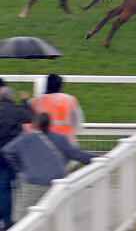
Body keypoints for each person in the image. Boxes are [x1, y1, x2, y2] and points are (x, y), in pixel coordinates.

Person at [2, 113, 100, 221]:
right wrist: (99, 158)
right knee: (58, 217)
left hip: (32, 183)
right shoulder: (59, 139)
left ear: (35, 124)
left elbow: (7, 151)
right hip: (56, 183)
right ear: (49, 124)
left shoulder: (25, 138)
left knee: (26, 218)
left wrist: (20, 169)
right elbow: (78, 154)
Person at [0, 84, 33, 230]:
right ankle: (23, 218)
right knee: (20, 186)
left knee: (3, 188)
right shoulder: (19, 110)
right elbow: (30, 118)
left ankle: (6, 221)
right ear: (11, 96)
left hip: (0, 155)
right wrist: (25, 100)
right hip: (16, 156)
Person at [27, 74, 85, 145]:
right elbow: (78, 123)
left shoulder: (36, 102)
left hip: (45, 144)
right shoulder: (71, 100)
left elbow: (31, 124)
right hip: (67, 143)